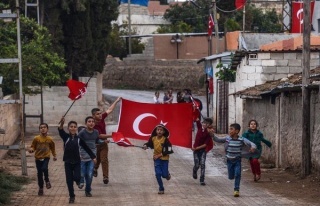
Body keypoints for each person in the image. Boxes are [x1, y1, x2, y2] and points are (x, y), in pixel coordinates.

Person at [210, 123, 256, 197]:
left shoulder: (241, 139)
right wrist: (212, 135)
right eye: (230, 129)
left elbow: (252, 144)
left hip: (237, 160)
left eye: (231, 129)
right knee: (231, 177)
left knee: (238, 174)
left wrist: (253, 147)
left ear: (237, 131)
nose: (230, 130)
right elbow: (218, 139)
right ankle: (232, 177)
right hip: (229, 161)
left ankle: (236, 190)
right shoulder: (227, 138)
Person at [58, 117, 96, 204]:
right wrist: (61, 123)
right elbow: (60, 130)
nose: (73, 128)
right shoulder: (66, 137)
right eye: (71, 126)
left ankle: (78, 181)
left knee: (77, 177)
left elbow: (86, 148)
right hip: (67, 162)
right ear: (68, 128)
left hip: (77, 162)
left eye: (75, 127)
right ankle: (72, 196)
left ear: (76, 128)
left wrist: (93, 157)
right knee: (69, 181)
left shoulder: (79, 139)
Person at [92, 97, 122, 184]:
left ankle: (105, 177)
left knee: (104, 159)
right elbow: (100, 135)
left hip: (104, 143)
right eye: (98, 114)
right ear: (93, 116)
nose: (100, 115)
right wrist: (112, 135)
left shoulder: (102, 118)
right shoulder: (92, 124)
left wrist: (116, 100)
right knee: (97, 159)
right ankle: (95, 168)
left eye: (100, 113)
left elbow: (109, 110)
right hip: (95, 144)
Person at [142, 124, 173, 194]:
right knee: (158, 174)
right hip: (157, 159)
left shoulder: (166, 140)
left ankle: (167, 174)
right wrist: (145, 145)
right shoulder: (153, 138)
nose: (159, 131)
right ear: (156, 131)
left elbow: (170, 150)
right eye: (158, 130)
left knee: (164, 175)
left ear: (164, 132)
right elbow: (149, 144)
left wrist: (160, 155)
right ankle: (161, 188)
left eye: (161, 130)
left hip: (164, 159)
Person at [29, 123, 57, 196]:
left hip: (46, 157)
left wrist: (54, 155)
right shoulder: (36, 138)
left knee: (44, 168)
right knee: (39, 174)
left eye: (44, 127)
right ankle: (41, 188)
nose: (43, 129)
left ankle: (47, 180)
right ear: (39, 129)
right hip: (38, 158)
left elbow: (52, 148)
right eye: (41, 128)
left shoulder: (50, 139)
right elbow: (33, 146)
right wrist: (31, 149)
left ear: (47, 129)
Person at [78, 116, 100, 197]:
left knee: (89, 174)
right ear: (85, 123)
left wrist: (104, 141)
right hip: (82, 157)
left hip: (92, 157)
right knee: (82, 173)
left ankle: (87, 190)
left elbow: (97, 141)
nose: (91, 123)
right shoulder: (82, 133)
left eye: (92, 121)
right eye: (89, 121)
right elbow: (78, 144)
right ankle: (81, 181)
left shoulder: (96, 132)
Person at [192, 117, 213, 186]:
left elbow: (205, 144)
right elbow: (197, 119)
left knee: (203, 164)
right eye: (204, 122)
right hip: (196, 150)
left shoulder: (209, 134)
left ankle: (202, 179)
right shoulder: (199, 127)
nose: (204, 124)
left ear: (209, 125)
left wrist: (197, 148)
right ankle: (194, 170)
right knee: (197, 164)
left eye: (206, 123)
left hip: (202, 150)